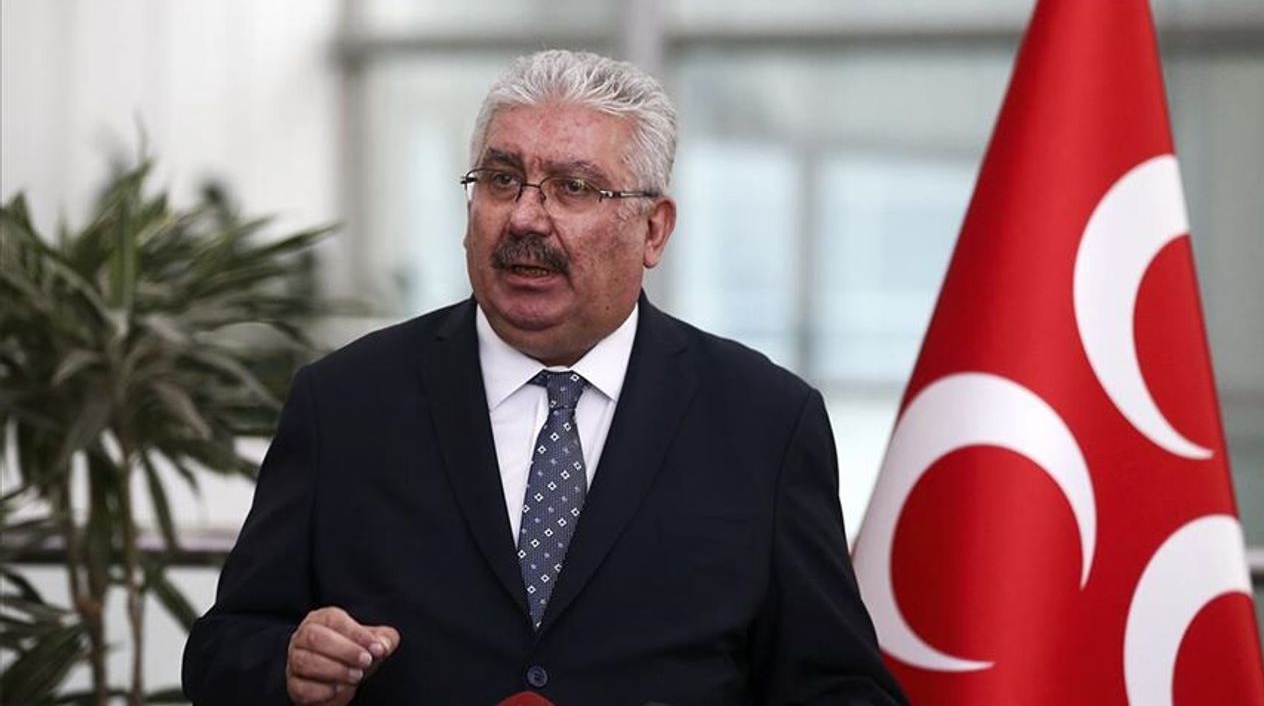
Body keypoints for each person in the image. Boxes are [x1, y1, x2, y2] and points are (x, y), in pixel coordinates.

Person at [182, 49, 905, 706]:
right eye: (502, 180)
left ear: (654, 229)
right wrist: (287, 665)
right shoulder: (345, 403)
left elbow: (838, 687)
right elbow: (224, 649)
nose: (526, 217)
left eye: (574, 187)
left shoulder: (764, 422)